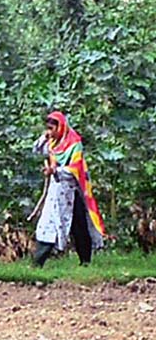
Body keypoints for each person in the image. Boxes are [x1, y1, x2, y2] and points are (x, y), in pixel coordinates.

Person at [32, 111, 106, 267]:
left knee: (79, 225)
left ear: (61, 127)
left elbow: (75, 169)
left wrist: (55, 171)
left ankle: (85, 261)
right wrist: (45, 137)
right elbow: (37, 150)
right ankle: (37, 263)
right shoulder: (52, 142)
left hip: (73, 191)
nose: (50, 132)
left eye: (52, 129)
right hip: (56, 192)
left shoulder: (74, 143)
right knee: (48, 224)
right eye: (48, 128)